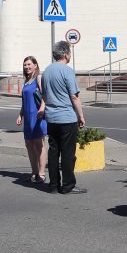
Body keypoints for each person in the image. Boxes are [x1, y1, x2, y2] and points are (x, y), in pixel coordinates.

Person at [41, 41, 86, 194]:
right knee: (68, 154)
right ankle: (68, 186)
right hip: (67, 118)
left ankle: (53, 185)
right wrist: (81, 116)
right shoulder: (67, 71)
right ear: (66, 54)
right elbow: (74, 96)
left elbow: (45, 96)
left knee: (54, 152)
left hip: (51, 118)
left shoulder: (46, 71)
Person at [16, 56, 48, 183]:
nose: (27, 67)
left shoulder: (38, 78)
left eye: (29, 64)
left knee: (39, 144)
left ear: (35, 65)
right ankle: (34, 171)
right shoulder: (26, 81)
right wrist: (20, 115)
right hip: (28, 117)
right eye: (25, 65)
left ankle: (41, 172)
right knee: (29, 144)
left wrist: (42, 109)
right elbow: (24, 102)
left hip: (38, 115)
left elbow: (45, 95)